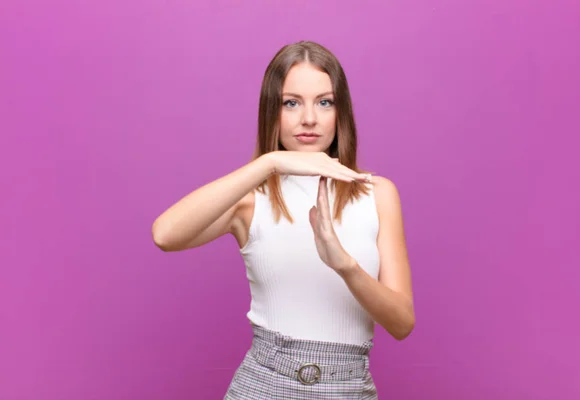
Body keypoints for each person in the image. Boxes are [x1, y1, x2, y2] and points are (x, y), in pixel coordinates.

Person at [151, 40, 415, 399]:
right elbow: (165, 234)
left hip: (349, 387)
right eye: (291, 103)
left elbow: (401, 323)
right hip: (264, 385)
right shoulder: (251, 197)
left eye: (325, 102)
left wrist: (346, 267)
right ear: (272, 112)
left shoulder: (377, 193)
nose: (309, 118)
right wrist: (269, 163)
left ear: (342, 112)